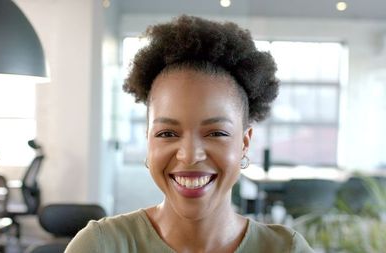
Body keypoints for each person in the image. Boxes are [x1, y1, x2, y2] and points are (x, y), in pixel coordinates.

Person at [65, 15, 314, 253]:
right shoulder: (100, 246)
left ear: (244, 143)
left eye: (216, 132)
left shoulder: (285, 249)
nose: (189, 155)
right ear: (148, 140)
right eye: (167, 133)